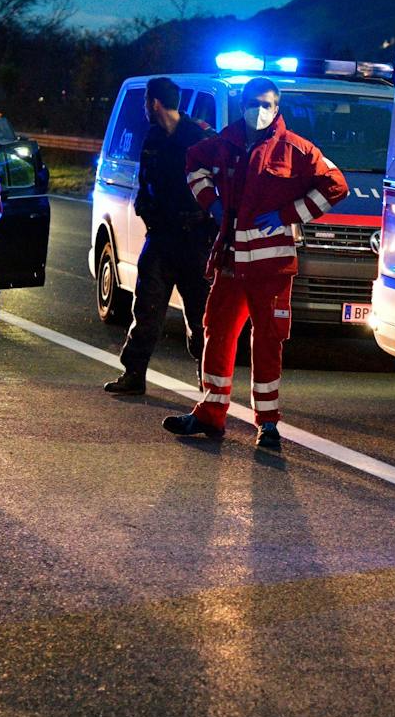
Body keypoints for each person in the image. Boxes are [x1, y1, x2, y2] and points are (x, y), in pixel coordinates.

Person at [164, 77, 347, 450]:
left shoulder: (297, 150)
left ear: (277, 108)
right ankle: (211, 413)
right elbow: (193, 163)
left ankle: (268, 423)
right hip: (231, 263)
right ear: (242, 104)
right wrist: (210, 202)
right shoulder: (224, 144)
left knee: (267, 340)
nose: (258, 110)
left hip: (270, 268)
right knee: (217, 334)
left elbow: (336, 185)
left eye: (265, 104)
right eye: (252, 102)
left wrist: (288, 214)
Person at [104, 76, 215, 394]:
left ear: (154, 102)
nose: (144, 108)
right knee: (147, 308)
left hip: (194, 239)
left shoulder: (199, 137)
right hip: (161, 236)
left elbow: (220, 185)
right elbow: (145, 184)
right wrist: (147, 212)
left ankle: (208, 382)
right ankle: (134, 374)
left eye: (145, 102)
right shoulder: (153, 138)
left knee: (200, 315)